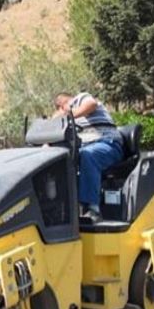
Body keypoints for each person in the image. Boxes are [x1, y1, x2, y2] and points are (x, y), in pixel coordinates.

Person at [53, 92, 124, 223]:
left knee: (88, 155)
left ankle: (92, 209)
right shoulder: (65, 116)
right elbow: (53, 132)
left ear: (63, 104)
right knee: (59, 159)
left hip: (107, 144)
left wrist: (68, 113)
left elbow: (91, 104)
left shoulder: (80, 99)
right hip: (83, 148)